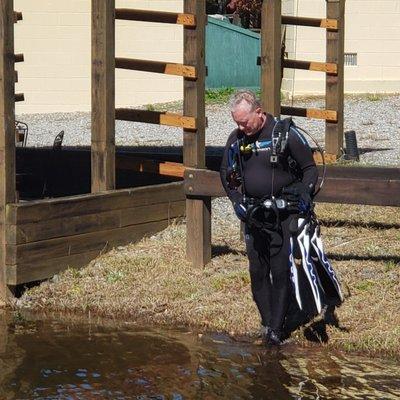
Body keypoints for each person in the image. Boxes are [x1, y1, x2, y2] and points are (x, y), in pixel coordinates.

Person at [220, 90, 319, 345]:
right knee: (257, 270)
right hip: (254, 214)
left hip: (283, 213)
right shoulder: (237, 139)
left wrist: (305, 197)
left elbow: (309, 169)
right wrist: (235, 200)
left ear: (259, 112)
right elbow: (226, 173)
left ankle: (277, 330)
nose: (241, 127)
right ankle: (267, 323)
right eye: (237, 122)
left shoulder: (285, 134)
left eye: (245, 121)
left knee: (280, 270)